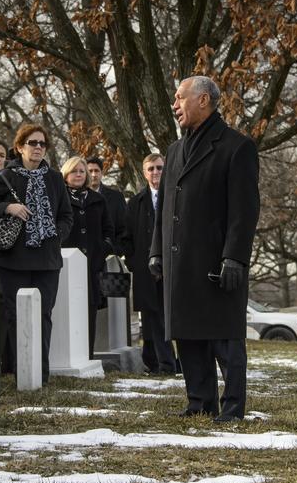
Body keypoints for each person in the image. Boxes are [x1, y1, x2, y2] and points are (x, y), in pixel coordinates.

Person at [149, 76, 259, 422]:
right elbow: (164, 208)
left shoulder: (236, 146)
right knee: (189, 334)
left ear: (203, 100)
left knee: (224, 338)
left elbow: (245, 210)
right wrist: (156, 251)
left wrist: (235, 256)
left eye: (180, 98)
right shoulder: (174, 150)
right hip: (180, 260)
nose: (175, 105)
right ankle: (200, 401)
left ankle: (232, 407)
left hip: (217, 260)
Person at [0, 122, 72, 380]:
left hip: (47, 259)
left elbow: (66, 215)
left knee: (43, 315)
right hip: (12, 260)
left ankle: (40, 374)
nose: (38, 148)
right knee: (15, 315)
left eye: (42, 143)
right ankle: (21, 372)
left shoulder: (54, 178)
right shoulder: (5, 177)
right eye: (33, 143)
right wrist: (8, 208)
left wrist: (56, 234)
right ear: (20, 147)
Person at [126, 153, 177, 375]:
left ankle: (170, 362)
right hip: (145, 269)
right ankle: (159, 363)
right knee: (151, 317)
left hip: (173, 268)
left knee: (169, 318)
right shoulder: (136, 202)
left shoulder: (176, 197)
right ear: (144, 173)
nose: (155, 173)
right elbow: (127, 236)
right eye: (151, 169)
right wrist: (134, 262)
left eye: (159, 168)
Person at [61, 155, 113, 356]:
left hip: (92, 264)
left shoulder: (98, 200)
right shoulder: (59, 198)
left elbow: (109, 230)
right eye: (74, 171)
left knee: (89, 309)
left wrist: (103, 249)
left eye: (82, 171)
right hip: (66, 263)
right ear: (66, 174)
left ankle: (87, 354)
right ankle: (68, 353)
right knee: (68, 309)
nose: (79, 174)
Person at [87, 156, 128, 256]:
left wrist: (116, 250)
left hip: (109, 256)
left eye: (96, 171)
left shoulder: (116, 197)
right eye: (90, 171)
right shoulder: (75, 197)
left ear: (102, 173)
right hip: (82, 255)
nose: (93, 175)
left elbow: (124, 228)